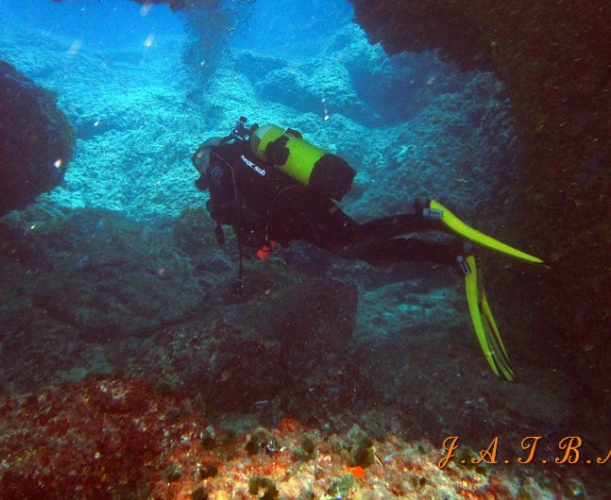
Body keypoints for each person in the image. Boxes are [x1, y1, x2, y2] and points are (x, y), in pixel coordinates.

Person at [192, 117, 545, 380]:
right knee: (368, 251)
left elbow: (228, 211)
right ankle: (451, 254)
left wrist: (216, 211)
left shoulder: (221, 165)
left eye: (198, 162)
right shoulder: (243, 160)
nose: (200, 172)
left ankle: (426, 217)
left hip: (298, 211)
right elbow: (259, 214)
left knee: (355, 244)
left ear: (207, 153)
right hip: (302, 207)